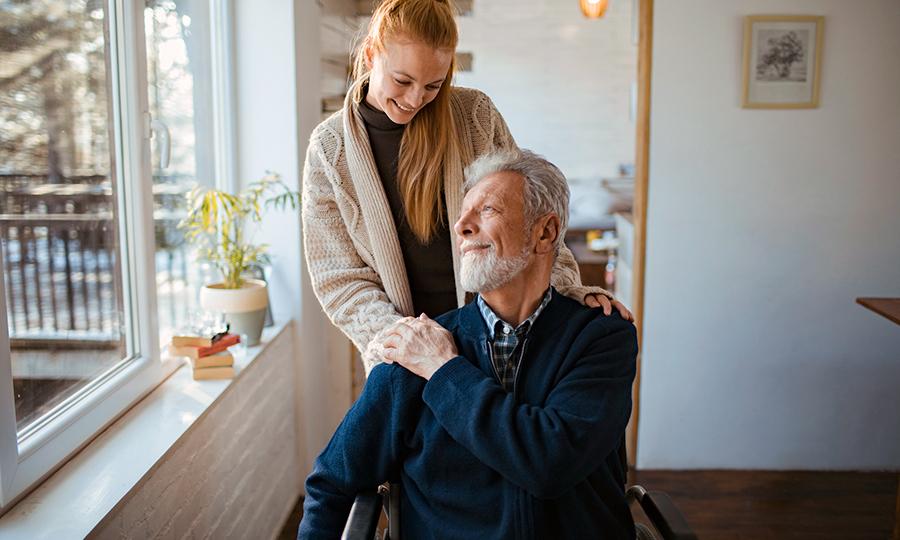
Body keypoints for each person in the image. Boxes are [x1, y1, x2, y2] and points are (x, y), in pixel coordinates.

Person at [298, 150, 637, 539]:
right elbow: (332, 483)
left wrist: (445, 371)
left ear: (545, 233)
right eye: (462, 214)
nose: (461, 227)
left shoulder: (601, 338)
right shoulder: (413, 352)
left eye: (487, 210)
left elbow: (551, 464)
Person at [301, 0, 631, 373]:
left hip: (503, 341)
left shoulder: (475, 116)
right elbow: (338, 277)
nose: (415, 100)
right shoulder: (329, 151)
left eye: (433, 85)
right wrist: (407, 341)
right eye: (402, 81)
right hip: (405, 361)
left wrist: (568, 292)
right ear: (370, 54)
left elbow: (529, 214)